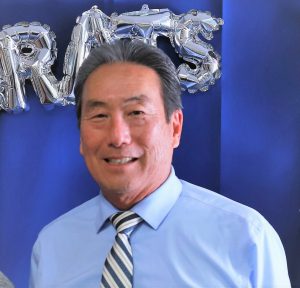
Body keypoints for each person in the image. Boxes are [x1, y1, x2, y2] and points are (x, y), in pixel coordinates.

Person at [30, 40, 291, 287]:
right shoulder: (52, 245)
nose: (118, 136)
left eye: (136, 113)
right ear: (80, 135)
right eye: (99, 115)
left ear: (175, 128)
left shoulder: (246, 237)